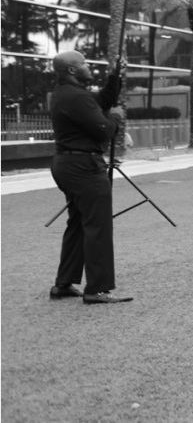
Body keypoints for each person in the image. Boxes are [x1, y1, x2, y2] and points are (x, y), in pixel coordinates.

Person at [48, 50, 132, 304]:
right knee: (98, 225)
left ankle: (64, 283)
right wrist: (116, 119)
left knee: (77, 223)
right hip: (84, 166)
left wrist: (115, 76)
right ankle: (96, 289)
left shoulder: (65, 95)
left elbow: (100, 102)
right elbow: (103, 130)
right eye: (83, 64)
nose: (88, 67)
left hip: (67, 164)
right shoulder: (76, 97)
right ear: (72, 70)